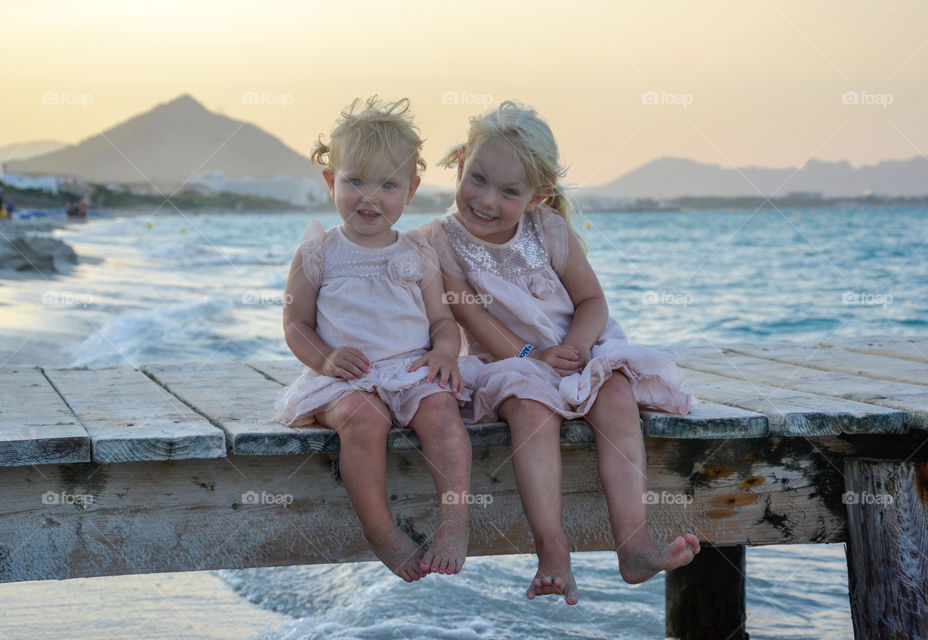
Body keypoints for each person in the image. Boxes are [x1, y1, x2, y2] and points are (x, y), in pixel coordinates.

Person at [422, 101, 700, 605]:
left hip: (574, 350)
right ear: (461, 163)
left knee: (615, 396)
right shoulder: (442, 241)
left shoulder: (548, 229)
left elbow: (592, 300)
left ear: (538, 194)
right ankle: (553, 550)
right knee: (530, 407)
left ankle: (633, 545)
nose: (486, 200)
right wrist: (531, 354)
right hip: (508, 360)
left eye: (509, 191)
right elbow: (469, 314)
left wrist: (574, 347)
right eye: (478, 179)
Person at [277, 97, 479, 582]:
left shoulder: (418, 253)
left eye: (388, 185)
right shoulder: (319, 252)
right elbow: (295, 324)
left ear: (409, 192)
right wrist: (325, 359)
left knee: (443, 414)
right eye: (355, 181)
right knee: (364, 421)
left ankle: (455, 519)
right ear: (331, 183)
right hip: (345, 379)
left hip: (409, 370)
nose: (370, 197)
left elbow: (441, 321)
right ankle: (380, 529)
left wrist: (444, 352)